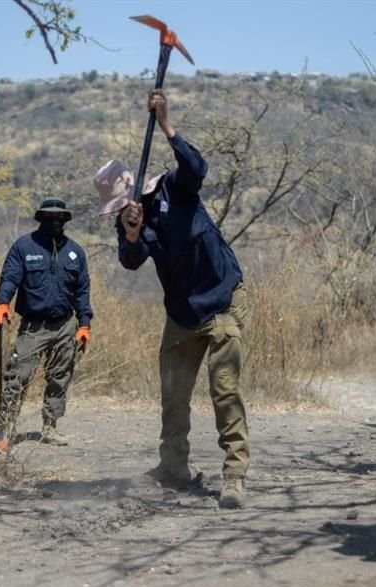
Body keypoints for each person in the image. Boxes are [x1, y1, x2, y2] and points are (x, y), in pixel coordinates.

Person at [95, 89, 250, 509]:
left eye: (120, 207)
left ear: (133, 186)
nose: (119, 213)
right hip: (181, 315)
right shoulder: (131, 219)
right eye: (115, 211)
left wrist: (165, 122)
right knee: (173, 394)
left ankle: (233, 475)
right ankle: (173, 468)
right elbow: (130, 261)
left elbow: (197, 166)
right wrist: (129, 232)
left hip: (221, 302)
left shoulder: (174, 188)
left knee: (224, 390)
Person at [0, 198, 92, 453]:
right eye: (48, 218)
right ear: (40, 219)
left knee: (60, 377)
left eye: (59, 218)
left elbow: (82, 290)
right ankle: (4, 431)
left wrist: (84, 324)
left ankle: (50, 428)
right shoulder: (24, 247)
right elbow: (10, 276)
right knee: (17, 377)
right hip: (33, 327)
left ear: (65, 221)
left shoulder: (75, 251)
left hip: (65, 325)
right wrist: (3, 303)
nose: (54, 222)